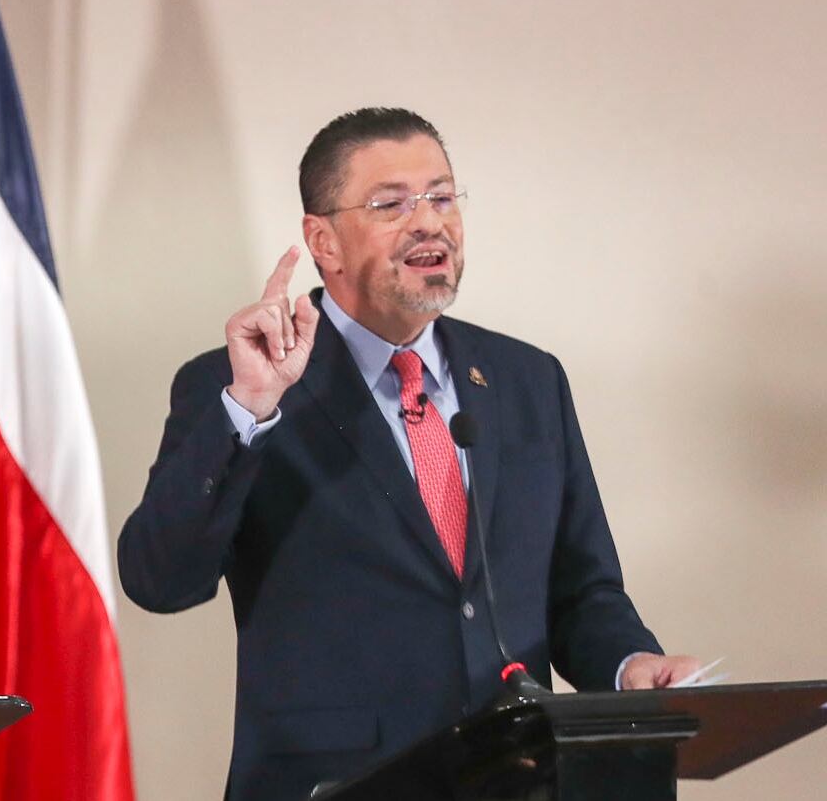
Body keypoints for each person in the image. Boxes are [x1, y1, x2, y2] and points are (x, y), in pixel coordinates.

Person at [117, 108, 699, 800]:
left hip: (518, 781)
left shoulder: (527, 380)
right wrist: (250, 409)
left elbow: (581, 590)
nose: (428, 222)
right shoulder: (242, 382)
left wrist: (628, 664)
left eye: (442, 197)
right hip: (338, 784)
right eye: (391, 204)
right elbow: (160, 581)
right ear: (323, 241)